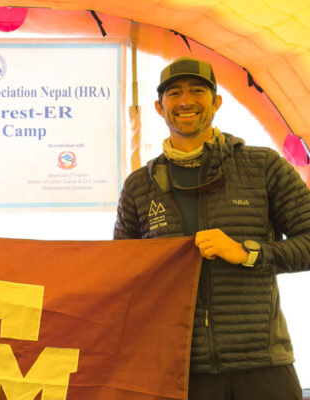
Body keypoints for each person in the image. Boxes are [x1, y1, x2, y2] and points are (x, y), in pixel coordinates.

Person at [114, 57, 310, 399]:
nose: (186, 101)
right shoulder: (139, 187)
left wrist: (248, 253)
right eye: (174, 93)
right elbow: (121, 274)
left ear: (216, 101)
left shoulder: (263, 167)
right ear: (160, 108)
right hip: (180, 369)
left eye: (197, 91)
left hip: (263, 364)